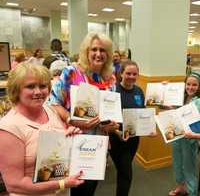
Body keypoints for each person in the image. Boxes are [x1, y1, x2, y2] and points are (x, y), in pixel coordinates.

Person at [49, 33, 119, 196]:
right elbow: (53, 102)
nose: (98, 53)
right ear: (86, 51)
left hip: (98, 145)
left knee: (90, 188)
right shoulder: (71, 72)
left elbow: (111, 112)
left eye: (103, 50)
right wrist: (71, 120)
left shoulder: (110, 78)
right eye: (94, 49)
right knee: (73, 189)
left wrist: (112, 125)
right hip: (73, 141)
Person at [0, 62, 84, 196]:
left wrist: (69, 138)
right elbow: (14, 184)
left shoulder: (50, 110)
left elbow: (56, 151)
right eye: (30, 86)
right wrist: (62, 184)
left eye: (43, 86)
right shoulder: (9, 127)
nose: (38, 92)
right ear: (16, 90)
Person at [109, 60, 156, 196]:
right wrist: (118, 132)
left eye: (134, 74)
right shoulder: (113, 90)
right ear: (121, 73)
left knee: (124, 170)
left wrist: (149, 128)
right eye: (128, 73)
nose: (131, 76)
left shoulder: (139, 91)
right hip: (117, 139)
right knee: (126, 173)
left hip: (134, 140)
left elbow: (143, 112)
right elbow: (106, 117)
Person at [168, 72, 200, 196]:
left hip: (190, 139)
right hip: (177, 136)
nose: (190, 87)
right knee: (177, 163)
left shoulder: (199, 101)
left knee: (189, 167)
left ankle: (192, 191)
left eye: (194, 85)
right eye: (188, 84)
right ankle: (181, 187)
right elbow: (172, 110)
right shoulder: (181, 97)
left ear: (199, 86)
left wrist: (194, 136)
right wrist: (164, 87)